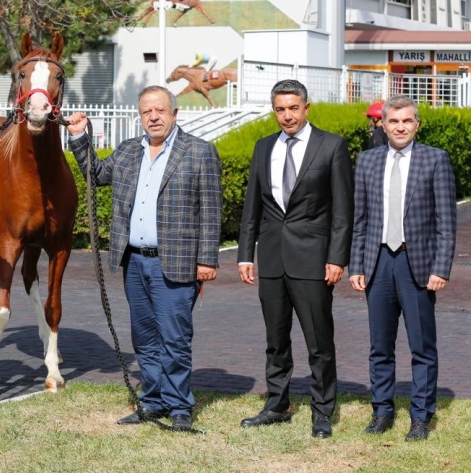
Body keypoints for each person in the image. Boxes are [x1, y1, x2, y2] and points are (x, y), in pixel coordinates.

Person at [64, 86, 222, 432]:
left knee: (174, 337)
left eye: (160, 110)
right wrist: (78, 136)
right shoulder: (127, 151)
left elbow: (211, 211)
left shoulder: (198, 152)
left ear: (175, 113)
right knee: (145, 337)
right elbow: (96, 175)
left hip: (177, 261)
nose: (153, 117)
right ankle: (153, 401)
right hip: (134, 261)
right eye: (147, 112)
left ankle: (179, 406)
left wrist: (207, 260)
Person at [237, 79, 354, 439]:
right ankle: (277, 405)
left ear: (306, 107)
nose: (286, 115)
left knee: (319, 342)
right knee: (276, 339)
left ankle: (322, 412)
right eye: (279, 109)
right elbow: (252, 207)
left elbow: (342, 210)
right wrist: (245, 255)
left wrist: (337, 257)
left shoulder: (331, 146)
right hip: (271, 258)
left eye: (292, 108)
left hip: (313, 260)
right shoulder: (263, 147)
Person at [349, 95, 457, 441]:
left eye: (407, 121)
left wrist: (440, 268)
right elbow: (360, 219)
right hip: (378, 262)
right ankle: (381, 411)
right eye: (393, 121)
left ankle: (421, 416)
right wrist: (356, 264)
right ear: (382, 124)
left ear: (417, 124)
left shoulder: (436, 160)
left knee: (422, 346)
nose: (400, 127)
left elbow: (446, 222)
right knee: (380, 345)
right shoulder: (367, 161)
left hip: (418, 266)